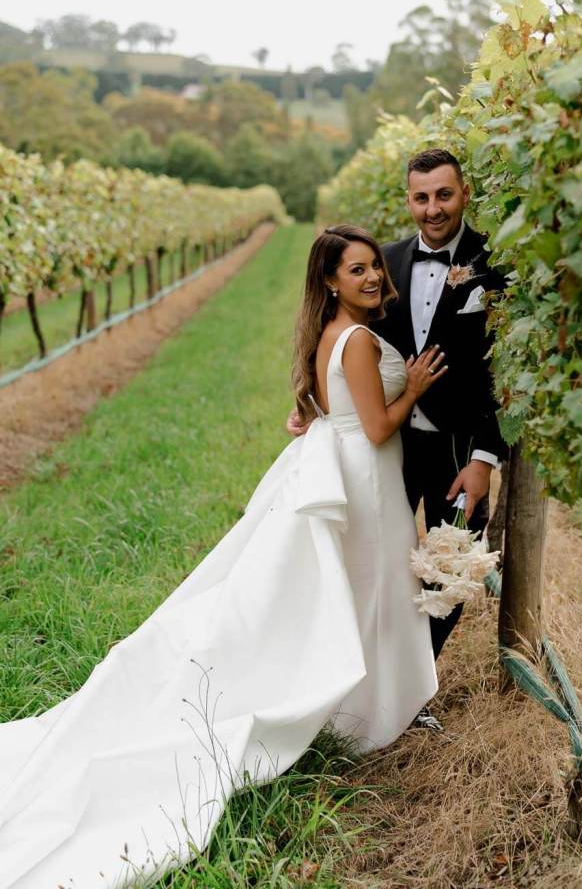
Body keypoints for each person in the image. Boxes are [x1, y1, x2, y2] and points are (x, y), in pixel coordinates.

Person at [0, 225, 446, 889]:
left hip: (354, 467)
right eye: (356, 270)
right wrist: (411, 385)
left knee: (361, 590)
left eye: (374, 266)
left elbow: (334, 410)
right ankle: (365, 714)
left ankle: (360, 707)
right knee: (371, 588)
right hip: (365, 471)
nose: (373, 277)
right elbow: (379, 424)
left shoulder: (330, 332)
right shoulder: (353, 339)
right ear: (330, 281)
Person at [288, 149, 505, 734]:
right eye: (421, 197)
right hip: (384, 449)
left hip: (460, 455)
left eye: (444, 195)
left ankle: (403, 690)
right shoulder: (384, 263)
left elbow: (506, 373)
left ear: (464, 193)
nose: (432, 209)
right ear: (407, 199)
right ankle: (377, 696)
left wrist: (485, 458)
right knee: (373, 568)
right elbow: (348, 351)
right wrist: (312, 403)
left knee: (452, 572)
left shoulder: (499, 263)